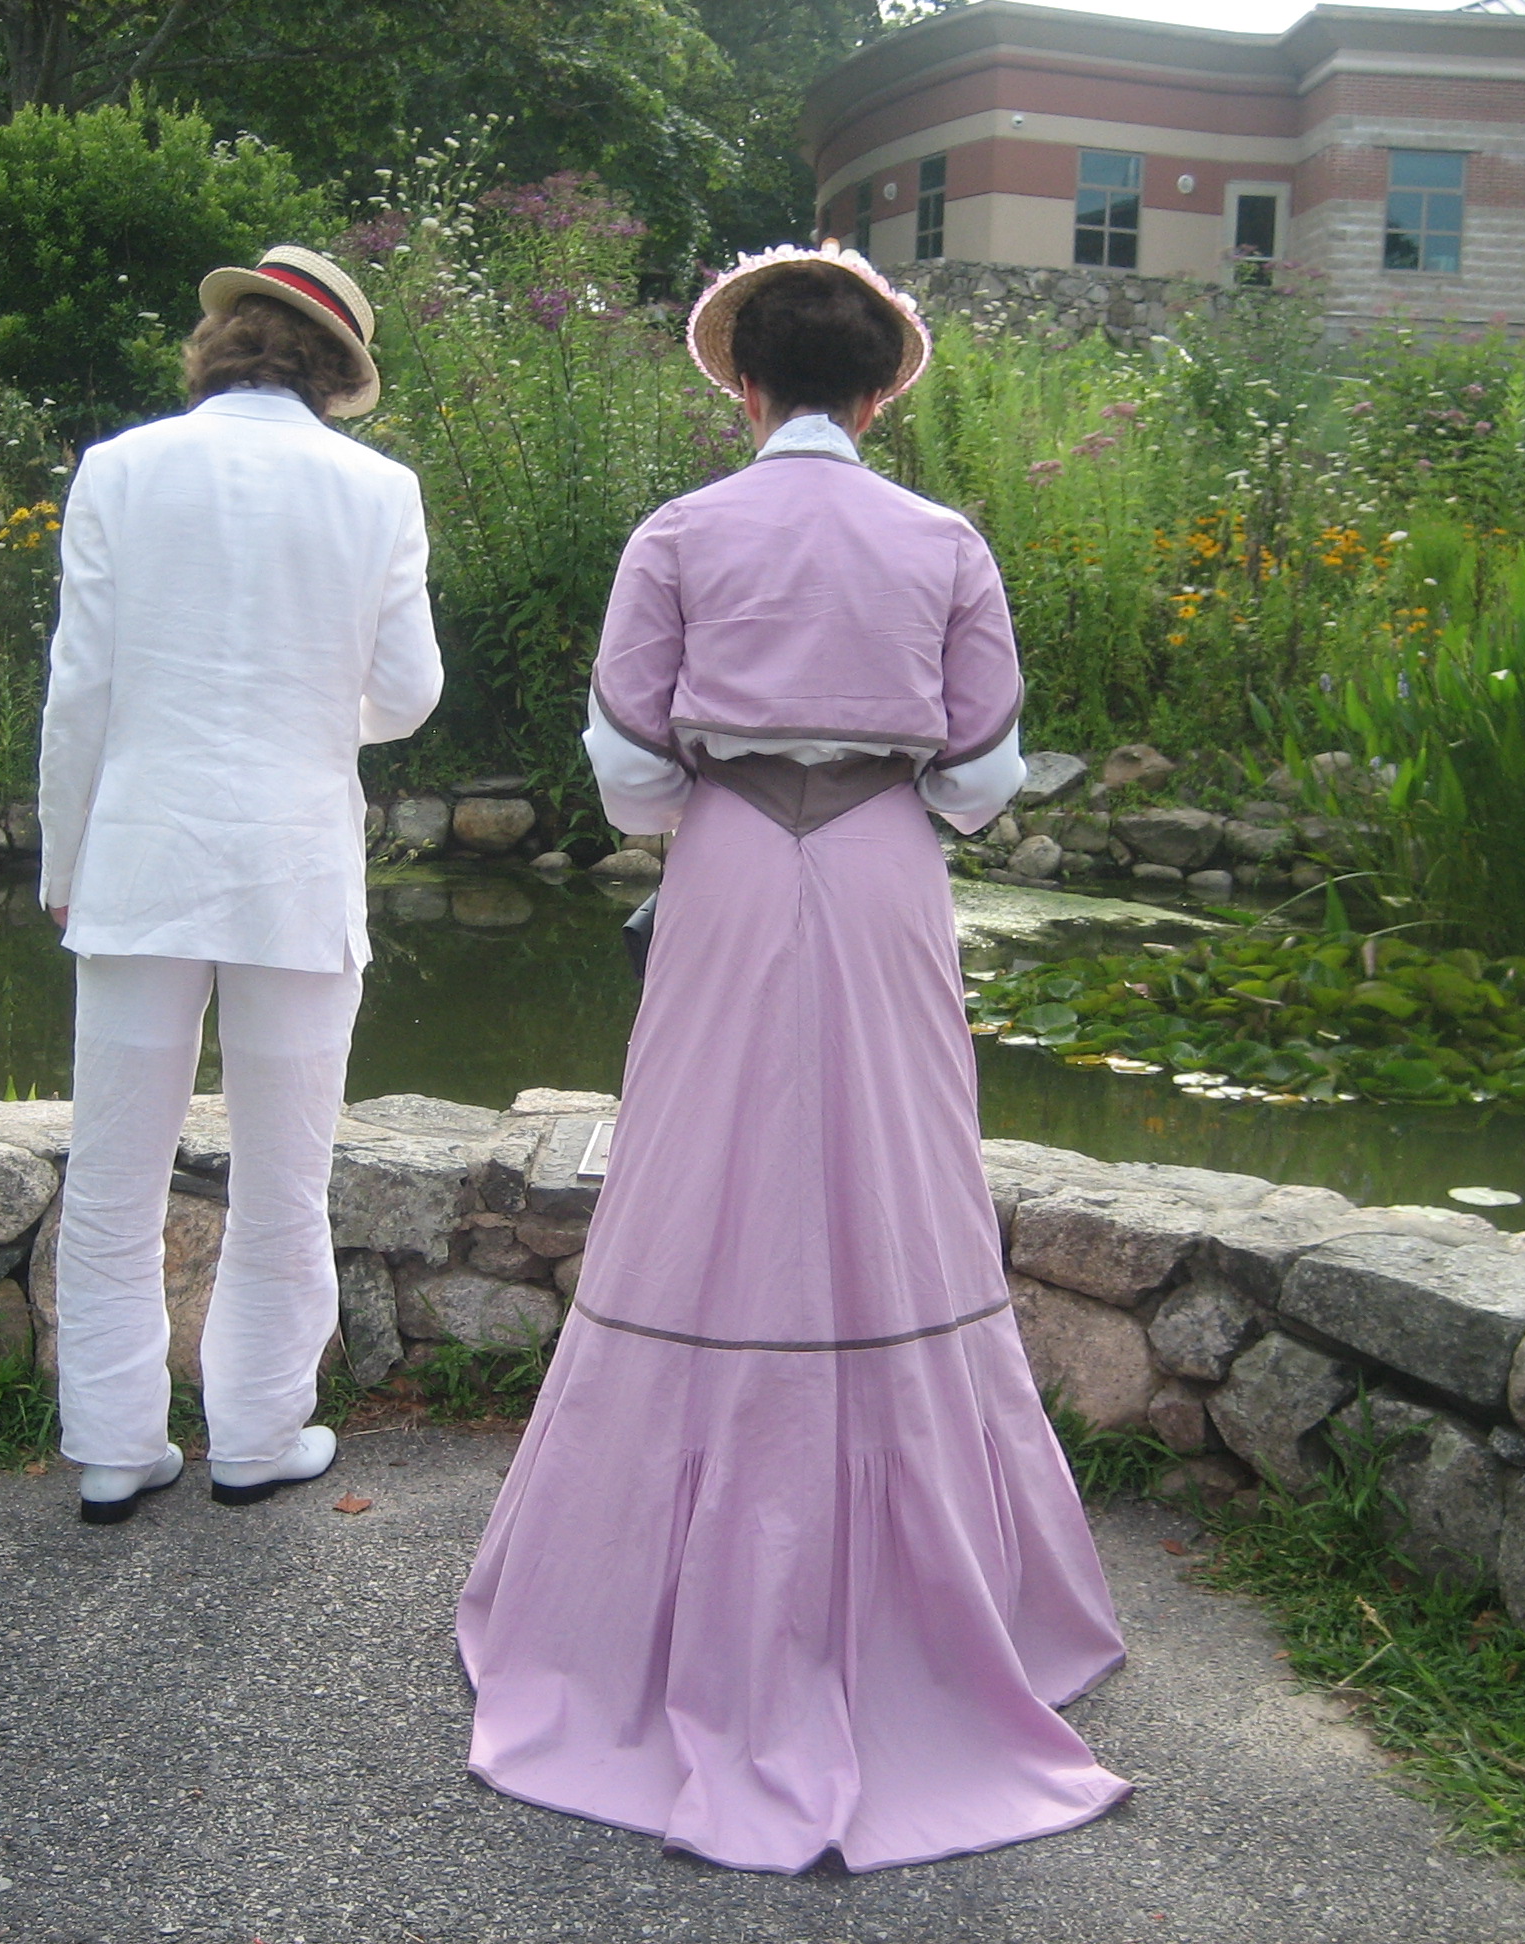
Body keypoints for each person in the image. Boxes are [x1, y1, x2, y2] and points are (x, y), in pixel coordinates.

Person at [455, 244, 1132, 1872]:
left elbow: (627, 770)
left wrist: (717, 789)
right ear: (881, 390)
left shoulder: (680, 534)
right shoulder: (943, 541)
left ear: (744, 386)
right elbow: (982, 781)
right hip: (888, 872)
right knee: (899, 1183)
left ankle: (635, 1608)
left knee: (702, 1180)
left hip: (732, 870)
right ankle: (939, 1612)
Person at [37, 245, 443, 1525]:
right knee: (284, 1178)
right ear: (336, 369)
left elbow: (80, 689)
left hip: (141, 856)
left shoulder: (119, 468)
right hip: (292, 865)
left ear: (219, 346)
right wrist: (316, 715)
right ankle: (258, 1437)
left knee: (115, 1172)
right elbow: (410, 692)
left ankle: (115, 1446)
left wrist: (65, 860)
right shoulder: (379, 490)